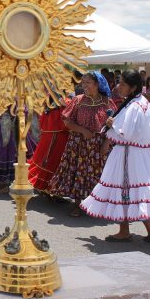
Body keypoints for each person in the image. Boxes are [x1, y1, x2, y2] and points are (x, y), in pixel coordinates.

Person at [81, 70, 150, 242]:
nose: (119, 86)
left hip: (128, 153)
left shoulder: (135, 105)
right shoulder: (138, 102)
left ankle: (125, 231)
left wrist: (112, 124)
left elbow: (127, 133)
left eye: (123, 84)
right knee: (138, 190)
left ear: (133, 87)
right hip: (137, 154)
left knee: (124, 188)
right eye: (119, 82)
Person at [49, 71, 117, 217]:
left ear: (97, 84)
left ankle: (97, 204)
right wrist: (83, 131)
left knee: (97, 174)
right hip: (78, 144)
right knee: (78, 172)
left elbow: (115, 125)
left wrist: (107, 142)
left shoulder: (107, 102)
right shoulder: (78, 100)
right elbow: (67, 121)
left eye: (87, 82)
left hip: (99, 146)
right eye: (83, 82)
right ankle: (78, 204)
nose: (83, 85)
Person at [28, 99, 70, 194]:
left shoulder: (61, 100)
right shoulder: (59, 100)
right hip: (54, 135)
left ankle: (49, 188)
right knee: (49, 161)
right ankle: (48, 188)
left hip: (55, 135)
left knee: (49, 161)